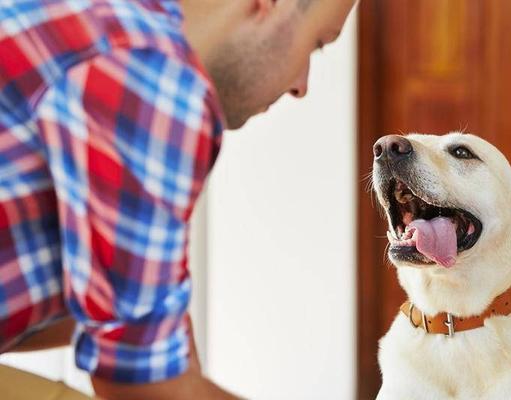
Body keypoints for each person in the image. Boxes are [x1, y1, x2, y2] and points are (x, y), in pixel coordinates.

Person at [0, 0, 355, 398]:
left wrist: (162, 338)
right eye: (317, 43)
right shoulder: (151, 74)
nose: (301, 85)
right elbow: (145, 389)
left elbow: (125, 329)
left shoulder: (105, 20)